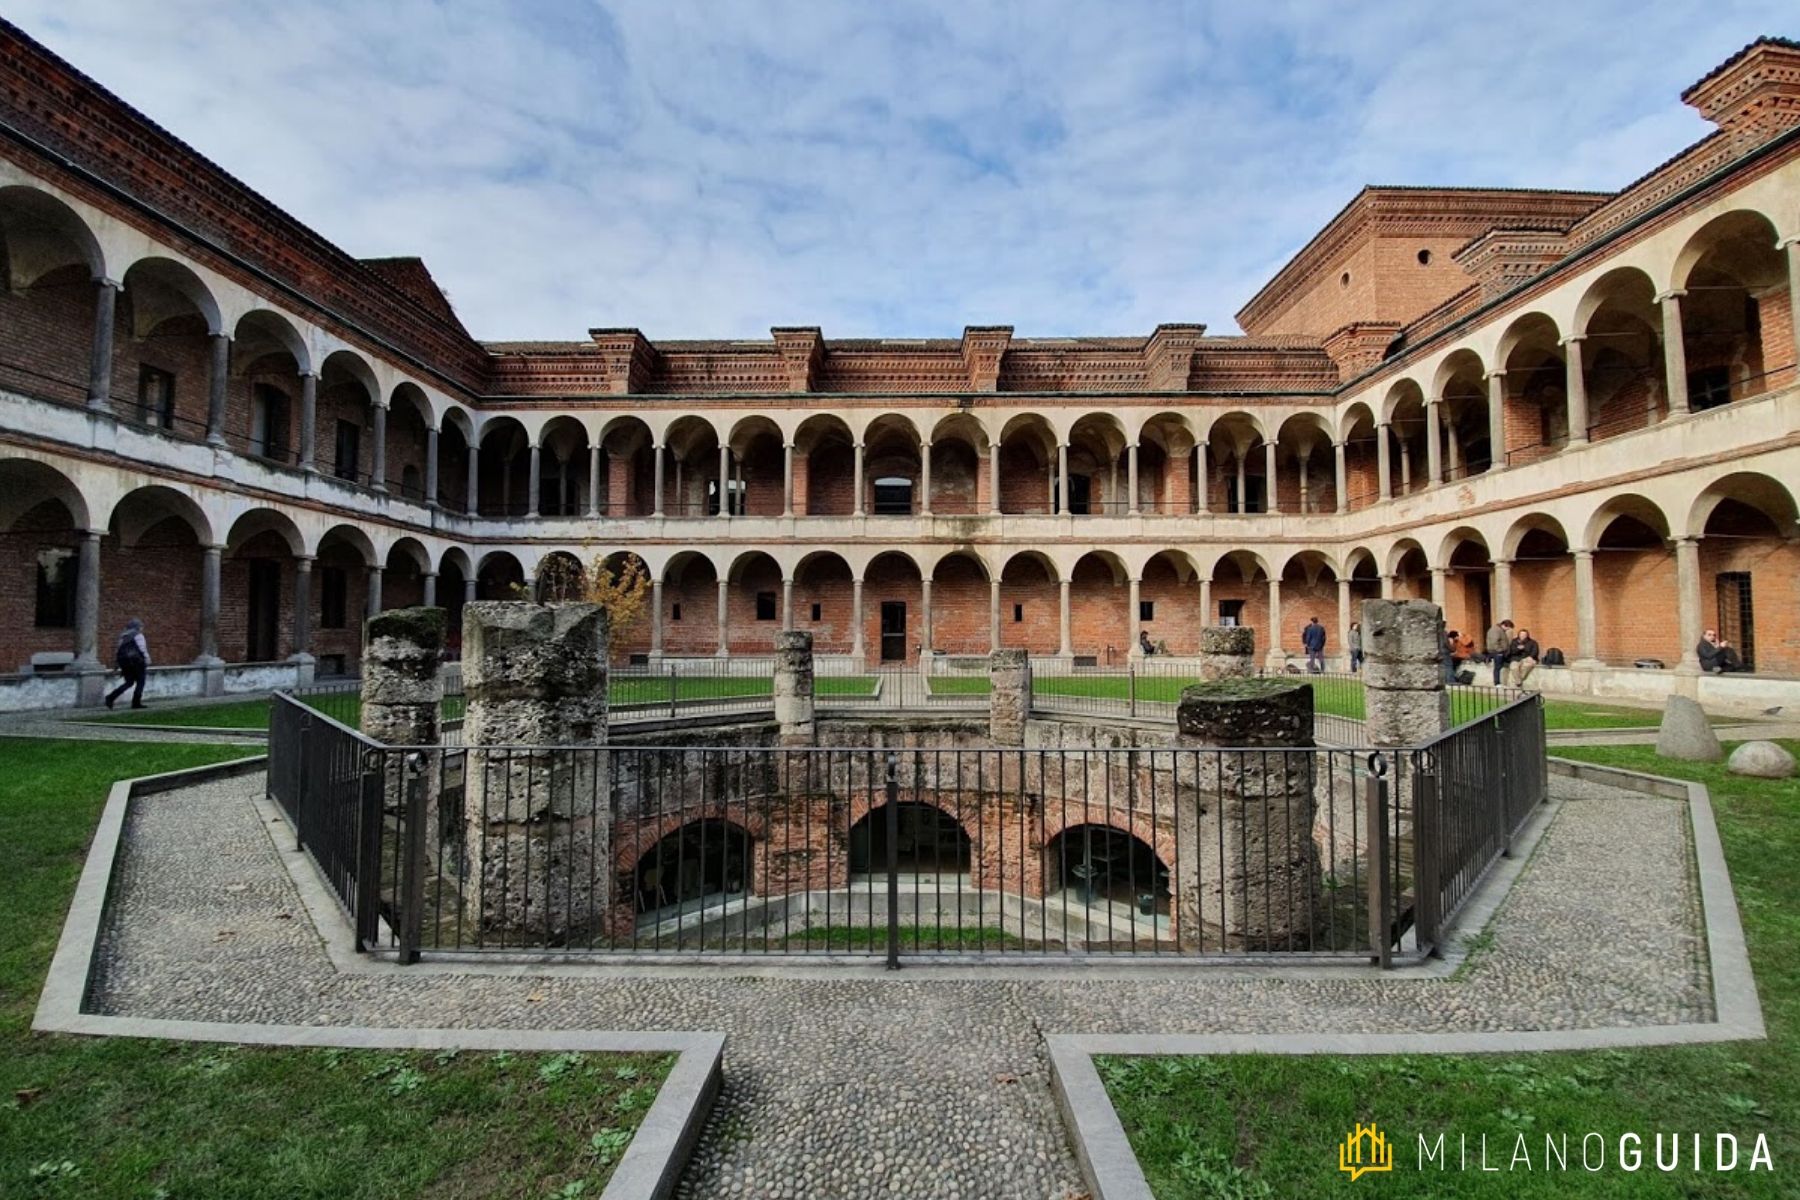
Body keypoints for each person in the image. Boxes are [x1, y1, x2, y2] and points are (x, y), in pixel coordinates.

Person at [105, 617, 150, 710]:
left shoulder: (123, 636)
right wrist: (147, 659)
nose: (142, 628)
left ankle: (111, 697)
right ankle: (136, 702)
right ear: (137, 627)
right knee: (141, 682)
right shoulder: (138, 635)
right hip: (137, 662)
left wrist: (116, 664)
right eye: (141, 626)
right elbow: (142, 649)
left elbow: (118, 651)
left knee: (129, 682)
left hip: (125, 663)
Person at [1485, 619, 1514, 685]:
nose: (1507, 630)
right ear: (1504, 625)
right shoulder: (1495, 630)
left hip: (1500, 652)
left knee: (1501, 666)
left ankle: (1502, 682)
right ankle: (1497, 683)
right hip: (1497, 652)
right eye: (1508, 628)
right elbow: (1494, 642)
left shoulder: (1500, 630)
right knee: (1497, 668)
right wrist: (1499, 650)